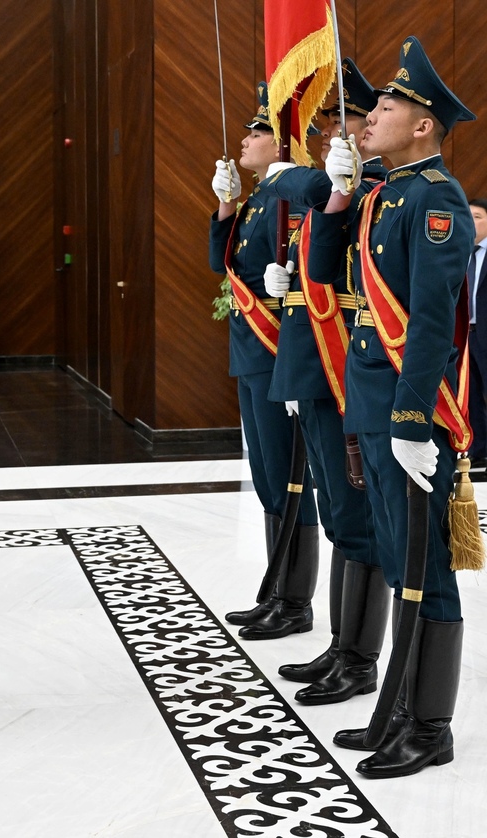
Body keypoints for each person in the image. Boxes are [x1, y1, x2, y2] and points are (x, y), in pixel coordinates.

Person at [309, 36, 476, 779]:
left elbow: (434, 321)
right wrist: (339, 192)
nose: (369, 119)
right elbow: (322, 270)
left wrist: (412, 421)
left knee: (424, 566)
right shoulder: (380, 194)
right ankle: (400, 710)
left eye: (385, 108)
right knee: (392, 549)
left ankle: (430, 727)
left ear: (424, 125)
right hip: (370, 401)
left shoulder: (436, 199)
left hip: (408, 410)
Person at [261, 59, 390, 706]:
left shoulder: (377, 189)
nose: (327, 135)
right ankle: (343, 646)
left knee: (357, 519)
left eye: (342, 122)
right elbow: (314, 269)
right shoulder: (338, 190)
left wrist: (321, 182)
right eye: (323, 125)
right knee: (339, 516)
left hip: (347, 374)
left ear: (367, 128)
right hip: (315, 369)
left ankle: (360, 660)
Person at [209, 83, 320, 641]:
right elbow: (220, 262)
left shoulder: (290, 195)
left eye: (256, 132)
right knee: (267, 479)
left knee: (287, 477)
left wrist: (290, 280)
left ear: (281, 145)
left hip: (277, 352)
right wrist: (226, 206)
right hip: (250, 352)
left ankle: (295, 602)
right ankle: (278, 590)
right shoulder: (258, 199)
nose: (245, 140)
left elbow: (312, 266)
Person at [464, 198, 487, 470]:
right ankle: (479, 450)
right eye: (467, 216)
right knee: (470, 394)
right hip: (466, 334)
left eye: (478, 217)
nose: (471, 222)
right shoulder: (461, 253)